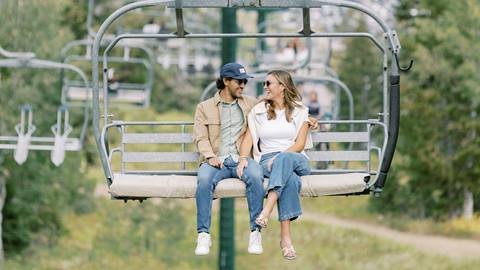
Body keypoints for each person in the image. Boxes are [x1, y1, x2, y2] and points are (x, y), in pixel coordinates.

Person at [237, 70, 312, 260]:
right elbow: (249, 138)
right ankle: (286, 239)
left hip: (295, 157)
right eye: (264, 83)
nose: (265, 87)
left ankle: (267, 209)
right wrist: (244, 157)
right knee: (291, 181)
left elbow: (300, 144)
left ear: (282, 86)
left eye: (269, 83)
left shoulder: (300, 109)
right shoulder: (259, 111)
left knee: (284, 161)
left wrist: (280, 157)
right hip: (266, 161)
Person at [192, 63, 265, 256]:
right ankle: (203, 234)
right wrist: (210, 157)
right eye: (239, 82)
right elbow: (200, 137)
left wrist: (307, 117)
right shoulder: (204, 107)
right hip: (217, 160)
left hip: (243, 159)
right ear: (225, 81)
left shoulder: (250, 103)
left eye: (244, 82)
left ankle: (255, 231)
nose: (242, 85)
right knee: (204, 181)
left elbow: (276, 104)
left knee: (257, 178)